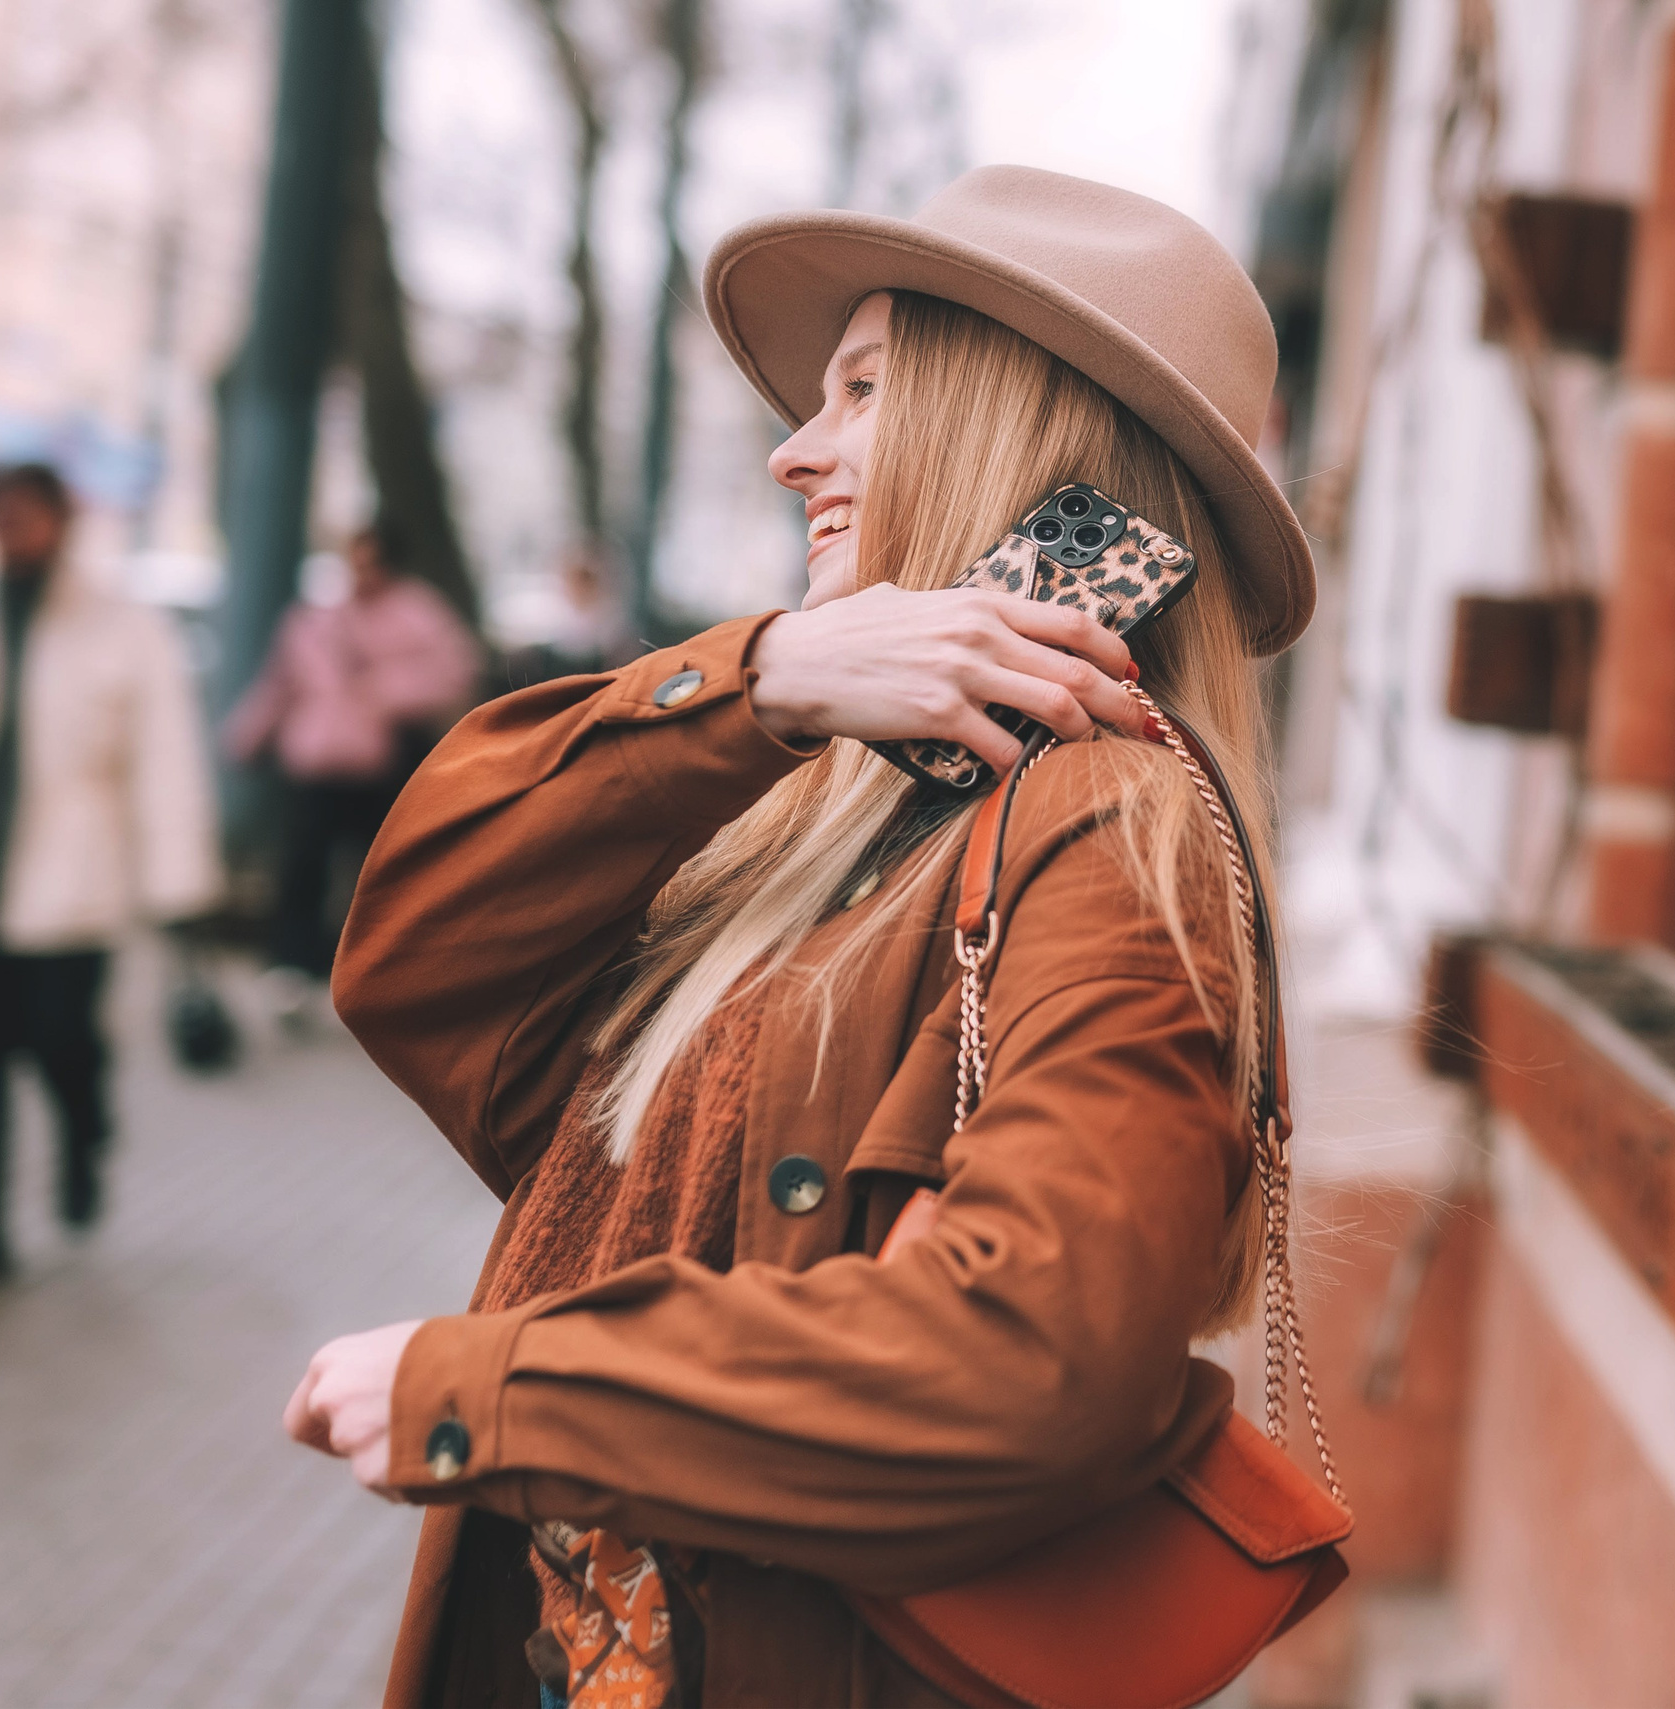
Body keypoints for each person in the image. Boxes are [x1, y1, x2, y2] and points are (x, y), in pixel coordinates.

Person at [281, 166, 1319, 1706]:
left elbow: (1040, 1355)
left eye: (864, 387)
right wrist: (758, 683)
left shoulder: (1103, 826)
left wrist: (491, 1387)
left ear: (1015, 418)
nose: (794, 449)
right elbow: (418, 952)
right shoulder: (812, 824)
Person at [0, 463, 221, 1280]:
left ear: (62, 522)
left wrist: (177, 886)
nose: (12, 533)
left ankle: (83, 1126)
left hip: (70, 876)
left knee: (59, 1039)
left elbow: (165, 758)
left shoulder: (122, 625)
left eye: (26, 518)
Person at [223, 519, 480, 1019]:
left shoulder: (418, 615)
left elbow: (454, 673)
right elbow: (280, 683)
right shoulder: (316, 620)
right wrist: (245, 738)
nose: (362, 572)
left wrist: (386, 693)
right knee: (303, 866)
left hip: (383, 766)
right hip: (317, 763)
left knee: (381, 874)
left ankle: (382, 974)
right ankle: (293, 968)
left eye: (371, 560)